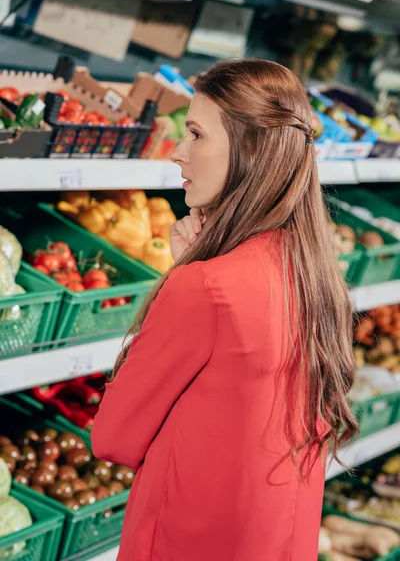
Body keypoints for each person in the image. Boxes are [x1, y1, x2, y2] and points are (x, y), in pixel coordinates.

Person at [91, 59, 358, 561]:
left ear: (249, 151)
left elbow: (113, 438)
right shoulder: (315, 276)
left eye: (195, 134)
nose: (178, 153)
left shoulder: (204, 287)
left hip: (188, 542)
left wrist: (184, 273)